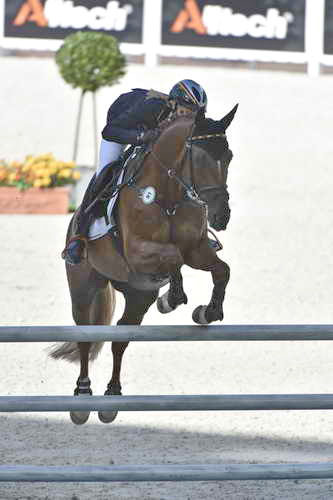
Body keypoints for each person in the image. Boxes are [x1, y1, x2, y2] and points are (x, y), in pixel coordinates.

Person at [62, 79, 208, 265]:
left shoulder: (187, 122)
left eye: (193, 115)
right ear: (173, 104)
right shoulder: (149, 107)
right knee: (106, 172)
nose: (188, 120)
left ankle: (201, 232)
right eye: (185, 113)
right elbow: (109, 131)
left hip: (148, 133)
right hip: (121, 127)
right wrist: (142, 137)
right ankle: (80, 236)